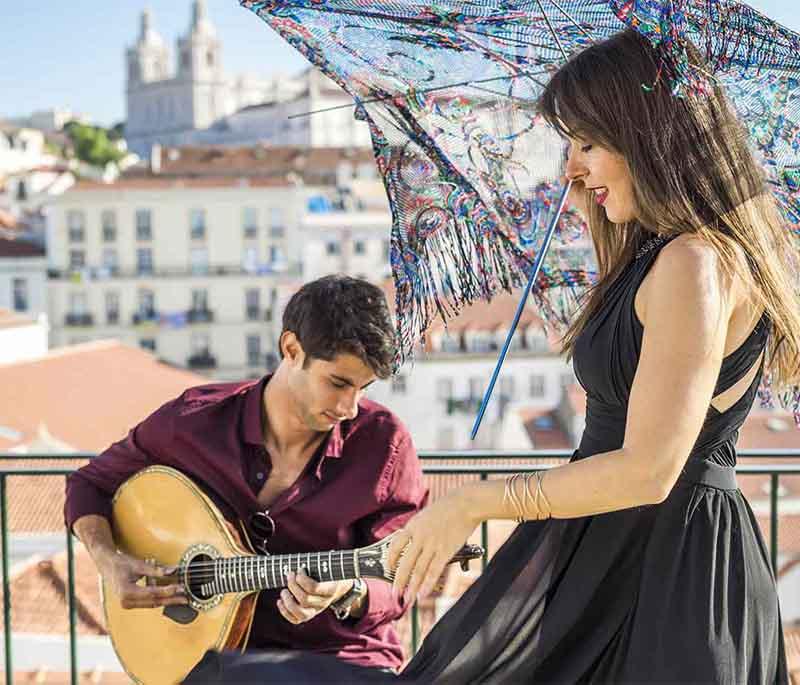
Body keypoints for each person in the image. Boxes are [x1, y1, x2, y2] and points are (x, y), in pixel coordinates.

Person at [183, 28, 798, 683]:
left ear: (644, 134)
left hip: (663, 583)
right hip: (624, 563)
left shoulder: (692, 262)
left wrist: (473, 502)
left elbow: (648, 470)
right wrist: (375, 563)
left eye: (587, 143)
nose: (570, 167)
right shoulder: (669, 256)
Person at [64, 275, 428, 674]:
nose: (349, 407)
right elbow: (90, 484)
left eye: (363, 388)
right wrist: (109, 560)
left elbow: (400, 575)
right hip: (215, 659)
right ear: (291, 349)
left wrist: (350, 591)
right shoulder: (192, 422)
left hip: (341, 661)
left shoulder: (385, 444)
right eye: (338, 383)